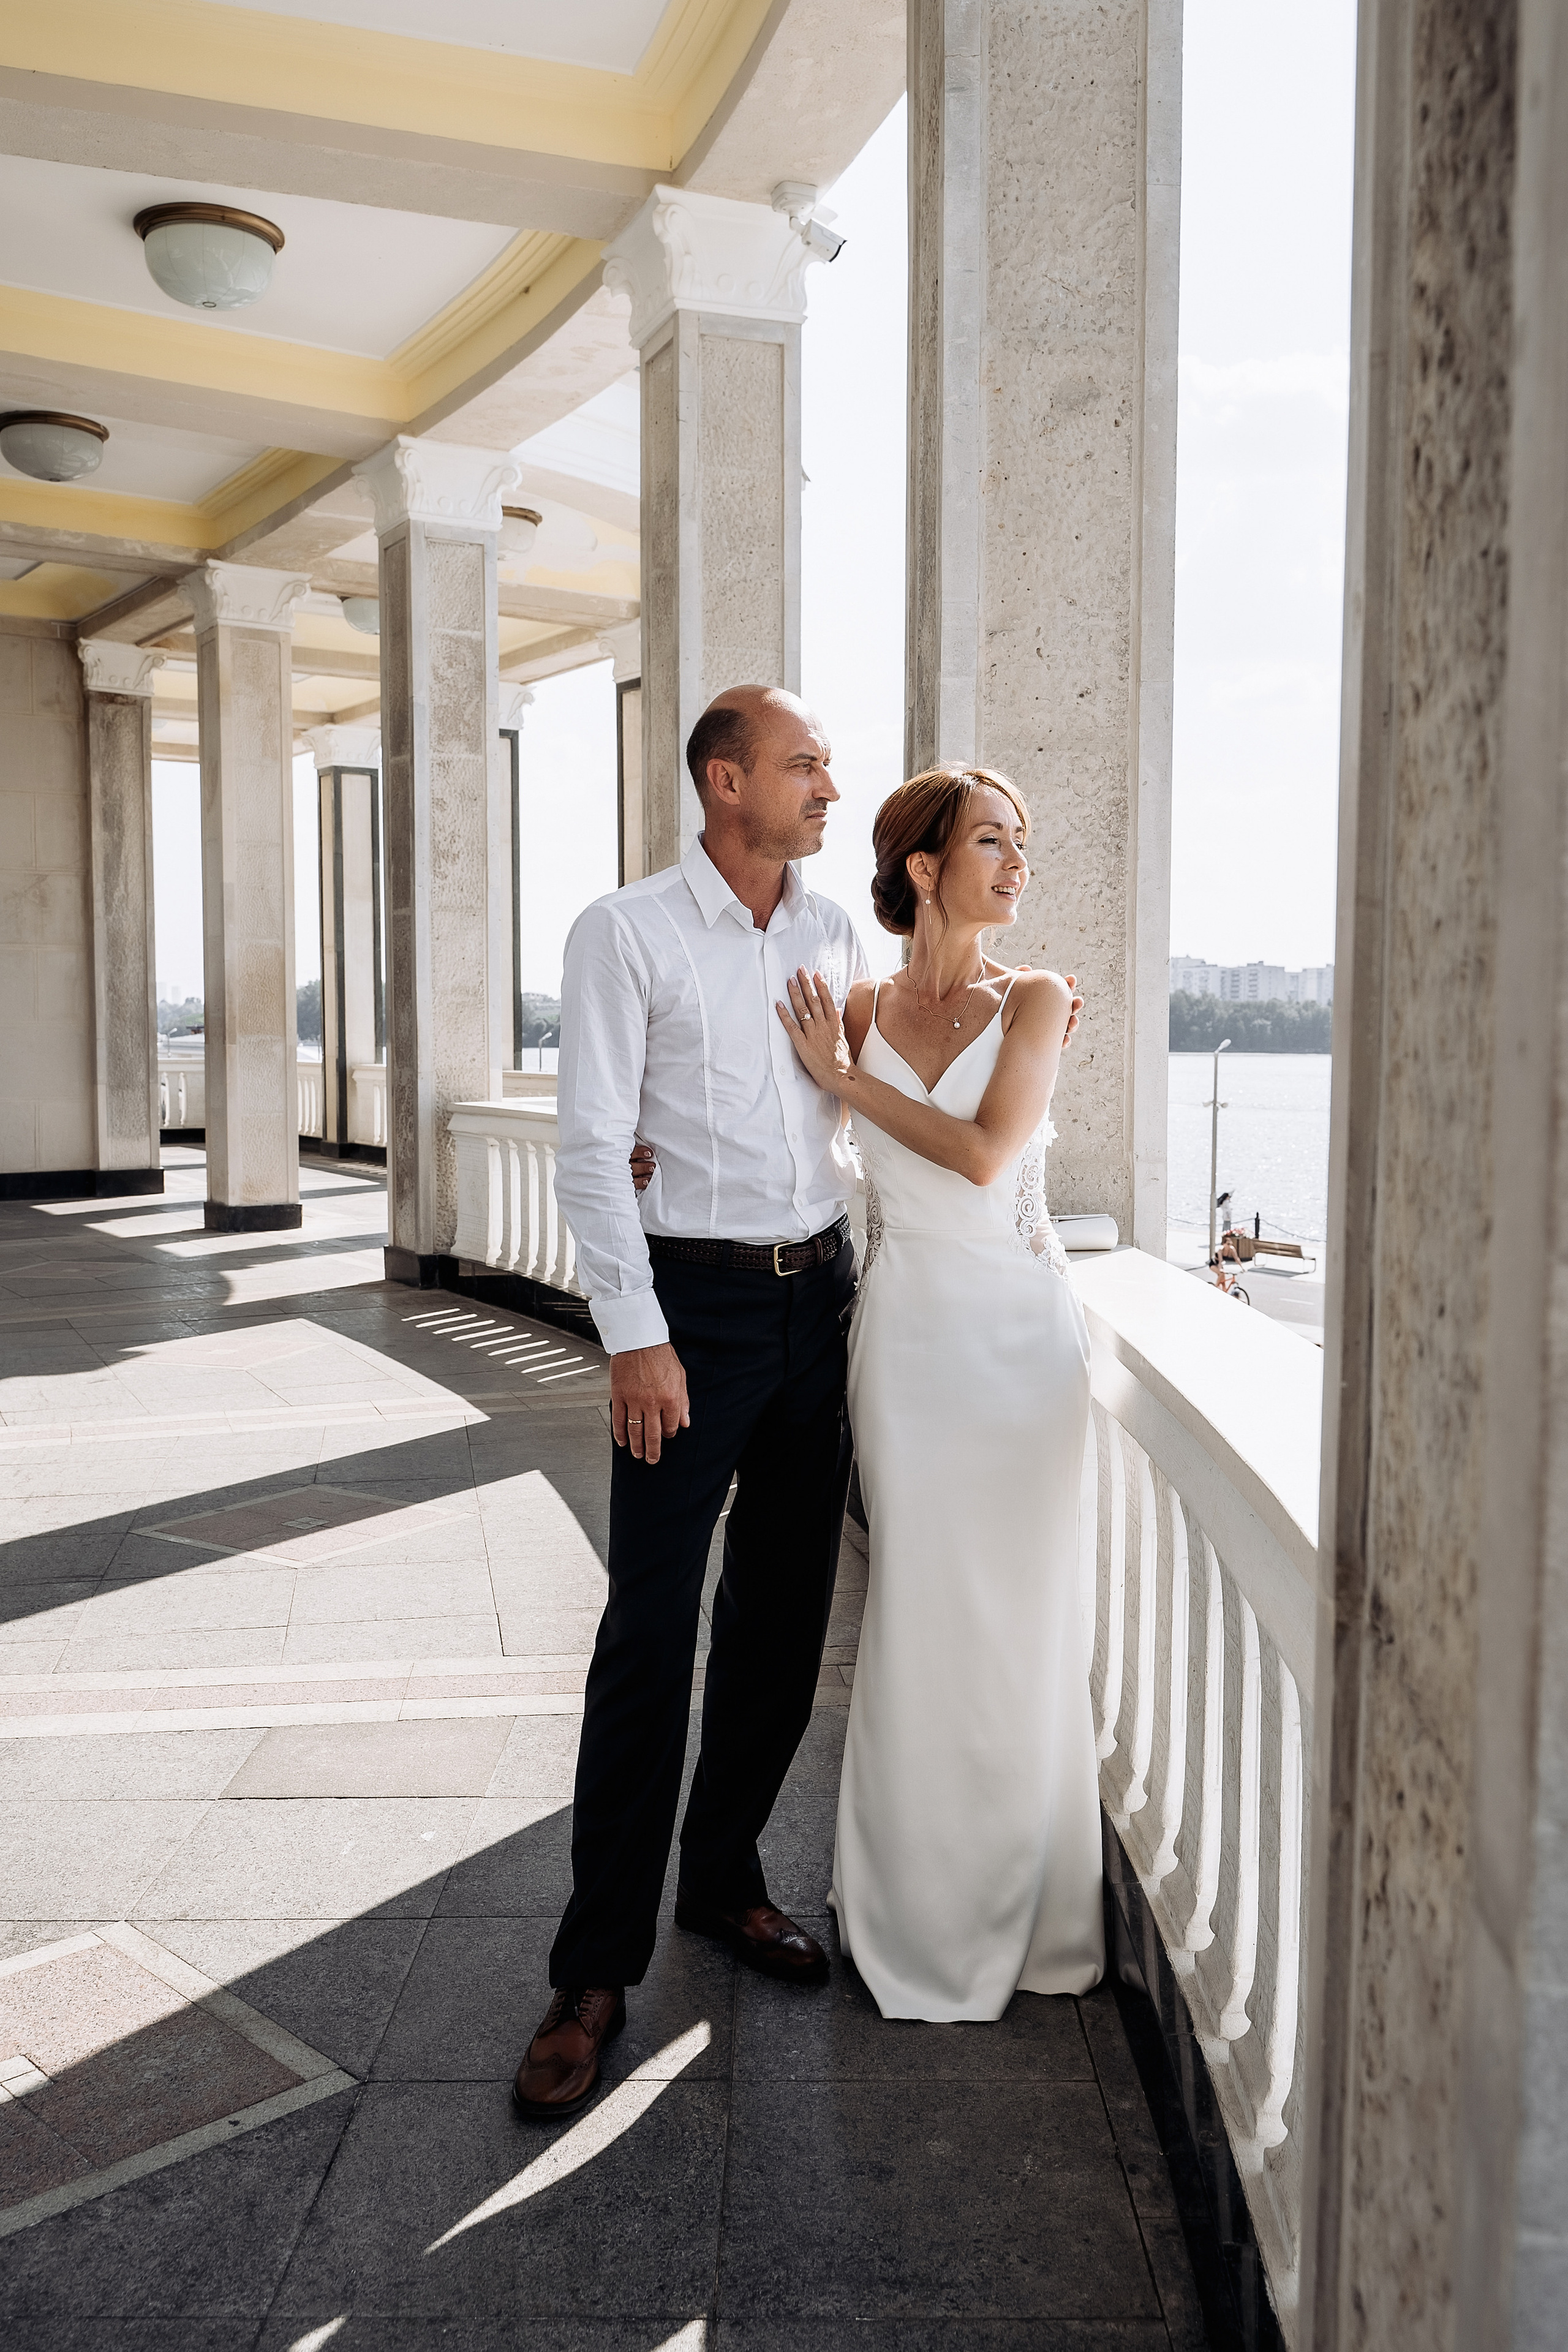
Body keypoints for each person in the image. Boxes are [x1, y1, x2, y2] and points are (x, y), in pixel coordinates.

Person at [509, 685, 867, 2120]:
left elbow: (845, 1099)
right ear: (726, 783)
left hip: (815, 1300)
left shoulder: (831, 929)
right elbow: (591, 1144)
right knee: (649, 1636)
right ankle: (592, 1973)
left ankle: (720, 1885)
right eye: (801, 764)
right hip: (690, 1319)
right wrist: (634, 1336)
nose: (825, 783)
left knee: (781, 1621)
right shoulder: (625, 931)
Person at [774, 764, 1104, 2022]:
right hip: (905, 1348)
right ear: (922, 868)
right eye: (991, 842)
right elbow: (768, 1134)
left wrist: (845, 1081)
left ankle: (1031, 1914)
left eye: (1021, 843)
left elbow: (979, 1158)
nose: (1018, 863)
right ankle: (909, 1912)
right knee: (915, 1614)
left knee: (1020, 1628)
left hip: (1019, 1351)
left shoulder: (1033, 999)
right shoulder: (848, 1004)